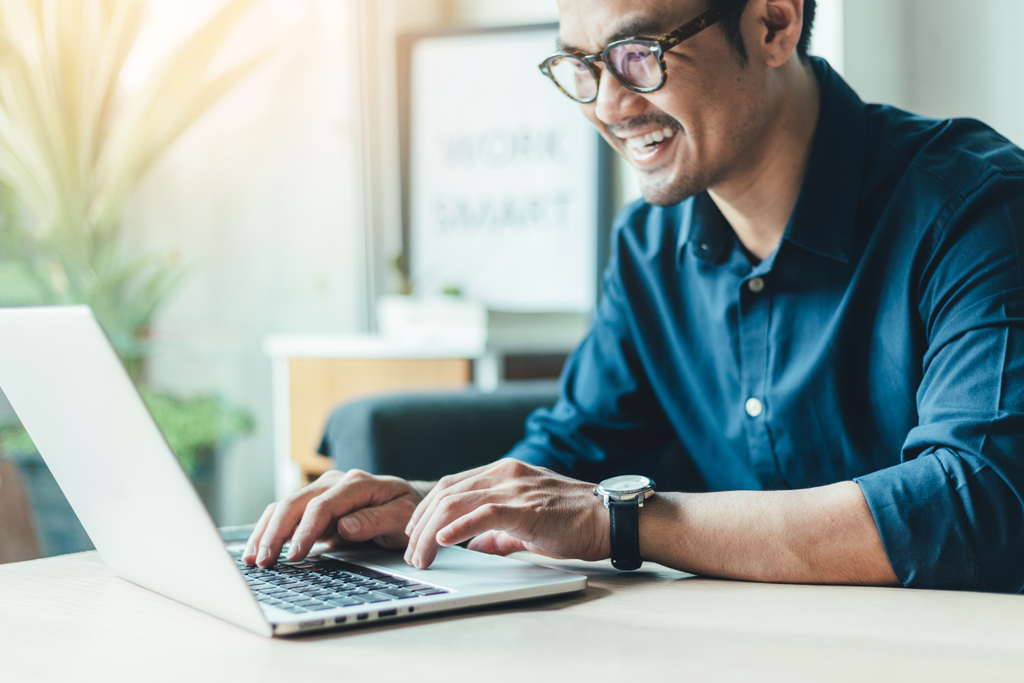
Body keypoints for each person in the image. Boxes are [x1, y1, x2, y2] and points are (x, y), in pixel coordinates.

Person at [245, 0, 1024, 593]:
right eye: (580, 67)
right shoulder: (648, 248)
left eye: (639, 55)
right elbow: (573, 456)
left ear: (774, 24)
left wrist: (622, 519)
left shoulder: (975, 206)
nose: (608, 106)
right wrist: (421, 503)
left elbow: (977, 501)